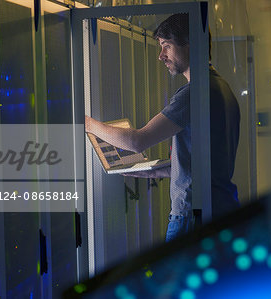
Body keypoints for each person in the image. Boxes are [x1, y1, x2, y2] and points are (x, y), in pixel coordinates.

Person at [85, 14, 240, 242]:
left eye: (166, 46)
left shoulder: (194, 93)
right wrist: (156, 171)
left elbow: (138, 141)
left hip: (192, 216)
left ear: (191, 44)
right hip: (219, 208)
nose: (161, 56)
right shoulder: (221, 87)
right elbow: (207, 164)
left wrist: (88, 123)